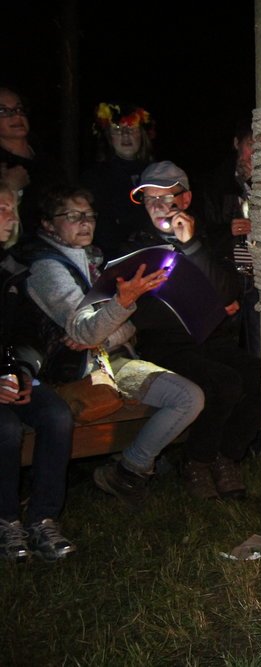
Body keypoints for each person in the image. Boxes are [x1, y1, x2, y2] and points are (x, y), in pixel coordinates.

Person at [23, 185, 205, 508]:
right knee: (187, 395)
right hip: (72, 372)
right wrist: (119, 308)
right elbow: (86, 330)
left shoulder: (95, 257)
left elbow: (120, 327)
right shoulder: (47, 268)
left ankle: (128, 470)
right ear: (49, 224)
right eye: (73, 216)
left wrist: (108, 331)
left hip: (112, 359)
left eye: (89, 216)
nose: (85, 223)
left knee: (189, 396)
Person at [125, 161, 261, 500]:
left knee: (259, 377)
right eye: (150, 199)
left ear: (185, 200)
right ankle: (197, 461)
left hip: (209, 338)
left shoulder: (207, 239)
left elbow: (227, 291)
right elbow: (144, 313)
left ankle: (226, 455)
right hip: (164, 344)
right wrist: (204, 304)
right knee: (223, 382)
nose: (158, 207)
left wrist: (190, 246)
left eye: (166, 198)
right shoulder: (136, 245)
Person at [0, 183, 76, 561]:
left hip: (8, 374)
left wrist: (24, 370)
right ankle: (5, 522)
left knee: (56, 415)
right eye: (1, 209)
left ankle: (43, 519)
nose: (10, 217)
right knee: (6, 428)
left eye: (11, 209)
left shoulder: (12, 269)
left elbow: (27, 335)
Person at [198, 118, 260, 356]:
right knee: (228, 345)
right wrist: (228, 230)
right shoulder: (214, 183)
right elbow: (202, 235)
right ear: (237, 143)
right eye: (251, 144)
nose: (255, 153)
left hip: (259, 274)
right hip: (229, 275)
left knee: (258, 343)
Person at [81, 102, 156, 258]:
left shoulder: (158, 172)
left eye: (131, 128)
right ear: (108, 136)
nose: (125, 135)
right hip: (115, 256)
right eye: (117, 129)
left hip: (156, 249)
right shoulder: (94, 177)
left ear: (142, 134)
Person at [0, 86, 64, 239]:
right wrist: (11, 188)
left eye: (19, 109)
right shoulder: (3, 167)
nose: (16, 116)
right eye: (3, 111)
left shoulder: (47, 157)